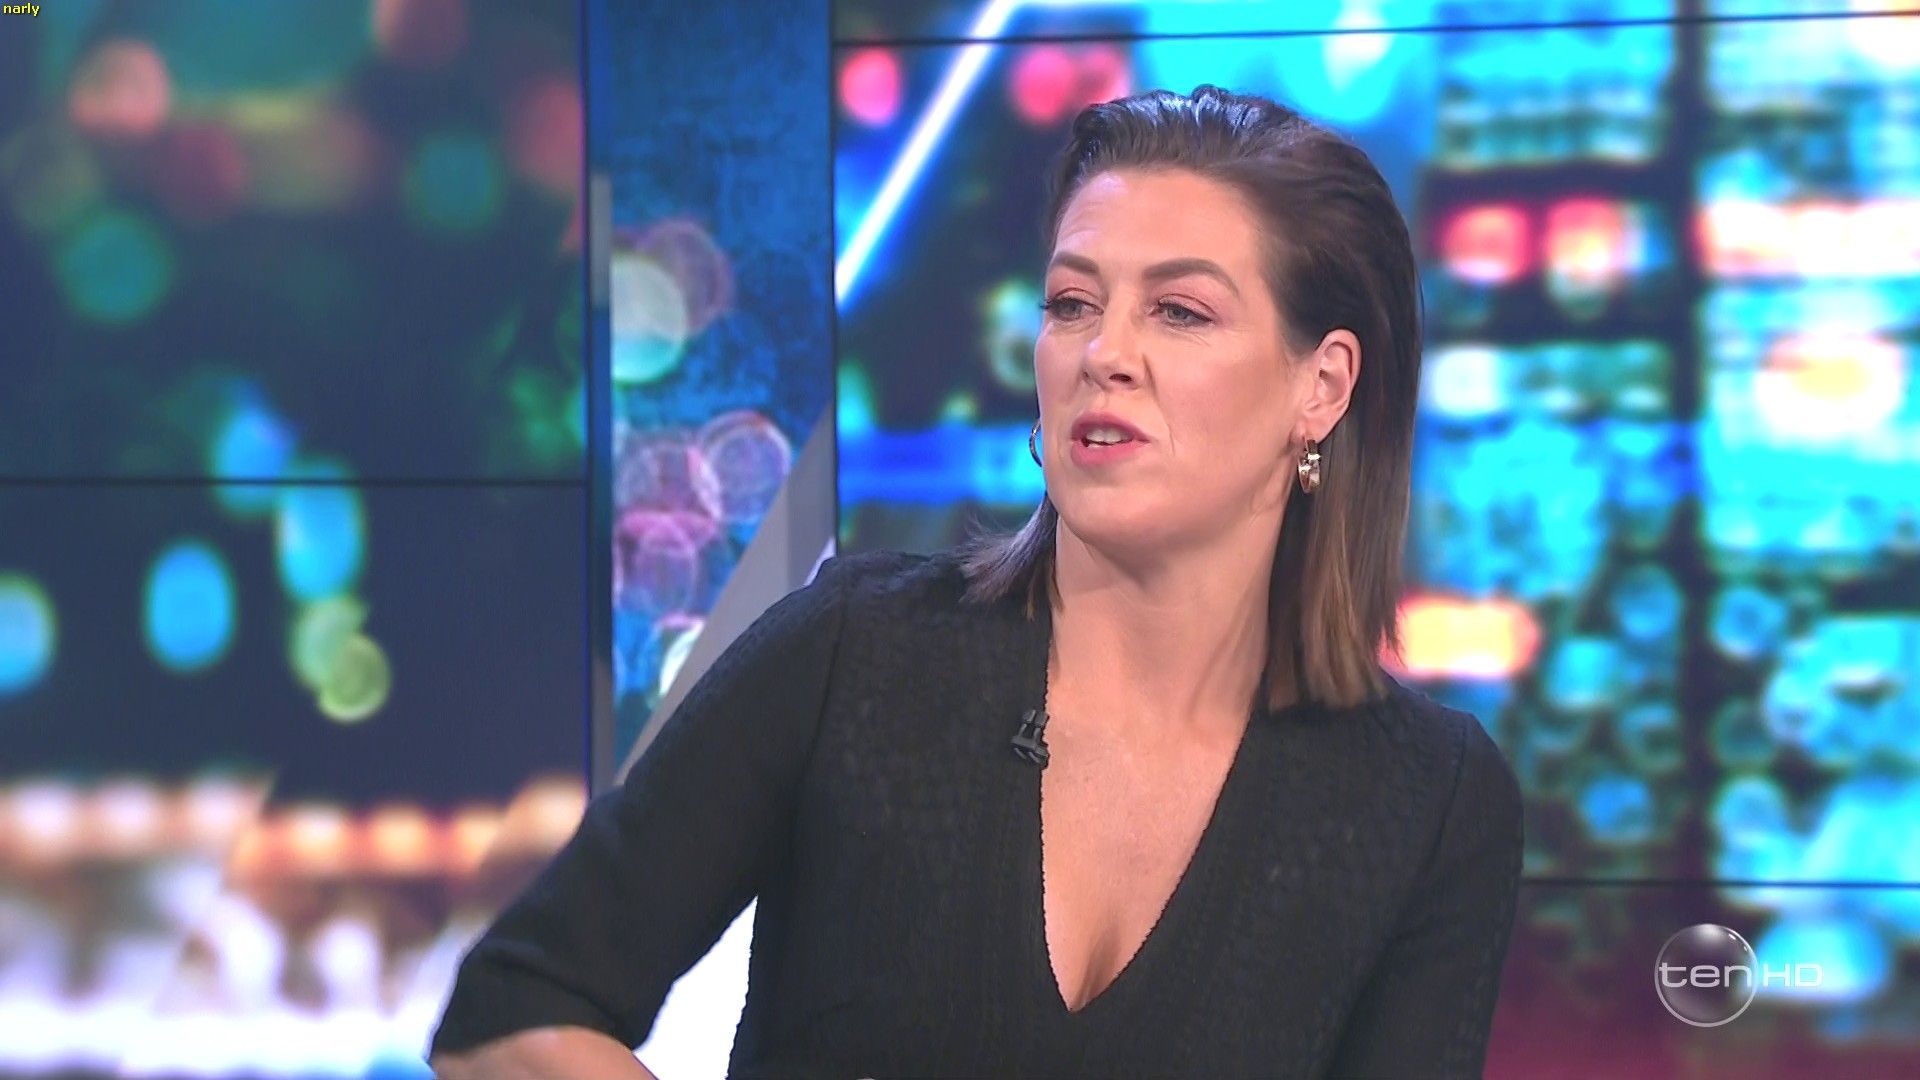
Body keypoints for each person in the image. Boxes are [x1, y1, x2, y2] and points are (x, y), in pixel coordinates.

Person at [430, 85, 1524, 1079]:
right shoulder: (853, 656)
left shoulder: (1427, 804)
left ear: (1322, 386)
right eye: (1072, 303)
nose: (1103, 352)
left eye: (1180, 312)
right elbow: (513, 1014)